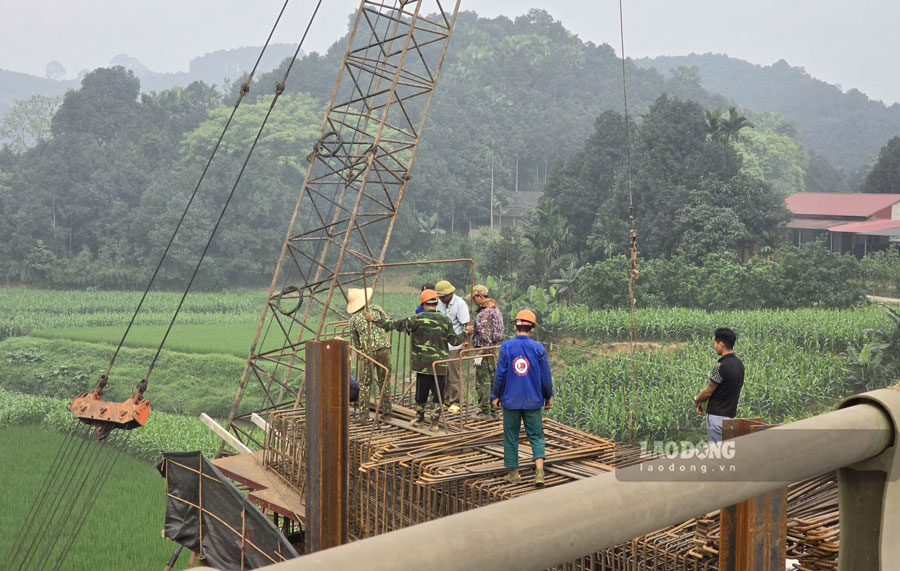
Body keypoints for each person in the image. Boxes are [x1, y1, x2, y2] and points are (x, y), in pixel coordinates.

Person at [368, 289, 466, 431]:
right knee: (438, 394)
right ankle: (434, 424)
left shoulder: (415, 319)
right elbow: (455, 341)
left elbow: (393, 324)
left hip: (422, 365)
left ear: (423, 304)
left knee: (421, 392)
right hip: (439, 366)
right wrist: (467, 332)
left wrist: (373, 320)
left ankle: (419, 420)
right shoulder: (445, 320)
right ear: (437, 304)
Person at [491, 309, 553, 487]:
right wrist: (548, 395)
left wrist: (495, 395)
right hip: (533, 400)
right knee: (536, 436)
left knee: (511, 436)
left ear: (515, 327)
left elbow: (500, 374)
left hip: (510, 400)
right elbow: (546, 377)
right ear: (532, 328)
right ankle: (539, 473)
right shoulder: (538, 348)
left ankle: (514, 474)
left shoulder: (506, 347)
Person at [347, 287, 392, 422]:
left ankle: (364, 415)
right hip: (384, 348)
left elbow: (357, 342)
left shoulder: (353, 320)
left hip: (368, 353)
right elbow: (387, 324)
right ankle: (387, 413)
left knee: (365, 384)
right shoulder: (376, 309)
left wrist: (362, 355)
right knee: (385, 381)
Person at [693, 327, 745, 443]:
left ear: (721, 344)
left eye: (715, 343)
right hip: (731, 417)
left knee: (717, 451)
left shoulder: (720, 366)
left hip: (717, 418)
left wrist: (697, 399)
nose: (714, 346)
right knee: (728, 449)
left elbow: (709, 390)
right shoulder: (739, 364)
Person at [465, 284, 505, 419]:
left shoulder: (484, 314)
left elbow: (486, 338)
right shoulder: (495, 310)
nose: (473, 301)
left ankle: (485, 411)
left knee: (482, 382)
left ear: (480, 296)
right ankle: (494, 410)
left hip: (486, 351)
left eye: (474, 298)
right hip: (494, 351)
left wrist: (480, 354)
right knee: (494, 380)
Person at [435, 279, 470, 413]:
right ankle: (445, 400)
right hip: (442, 345)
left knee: (453, 375)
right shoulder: (440, 304)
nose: (441, 299)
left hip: (455, 345)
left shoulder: (460, 304)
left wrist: (465, 344)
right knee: (443, 374)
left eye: (443, 296)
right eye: (440, 296)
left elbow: (467, 326)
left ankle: (455, 401)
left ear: (450, 294)